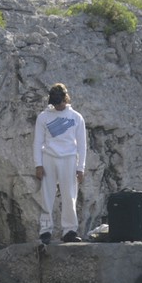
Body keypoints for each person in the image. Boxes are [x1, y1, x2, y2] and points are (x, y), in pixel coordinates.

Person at [33, 83, 87, 244]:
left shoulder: (76, 117)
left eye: (60, 102)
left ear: (66, 99)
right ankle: (45, 232)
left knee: (69, 195)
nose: (58, 106)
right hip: (49, 157)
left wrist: (81, 167)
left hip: (69, 158)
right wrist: (38, 164)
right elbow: (37, 142)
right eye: (55, 103)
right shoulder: (43, 116)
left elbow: (82, 145)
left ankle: (69, 230)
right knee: (47, 197)